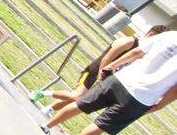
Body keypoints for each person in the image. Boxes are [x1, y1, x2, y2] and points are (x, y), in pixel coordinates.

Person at [42, 30, 177, 135]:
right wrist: (160, 105)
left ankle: (47, 125)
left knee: (81, 104)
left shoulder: (170, 35)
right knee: (102, 125)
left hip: (122, 78)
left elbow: (137, 52)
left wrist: (112, 65)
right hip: (141, 98)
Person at [37, 26, 169, 111]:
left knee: (78, 100)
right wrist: (101, 75)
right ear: (150, 33)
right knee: (76, 96)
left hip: (110, 77)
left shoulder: (145, 51)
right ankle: (41, 93)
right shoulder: (130, 42)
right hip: (97, 70)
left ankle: (49, 109)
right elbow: (107, 58)